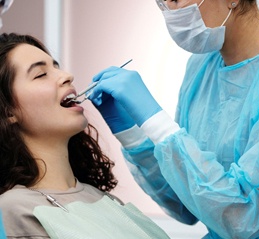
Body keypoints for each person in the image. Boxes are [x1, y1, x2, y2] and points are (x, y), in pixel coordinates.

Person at [88, 0, 259, 238]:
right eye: (161, 2)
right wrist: (132, 135)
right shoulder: (201, 68)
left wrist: (158, 124)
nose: (168, 11)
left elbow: (243, 218)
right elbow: (188, 205)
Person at [0, 33, 171, 239]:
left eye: (56, 67)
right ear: (8, 111)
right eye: (40, 74)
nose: (67, 75)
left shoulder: (104, 199)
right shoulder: (14, 209)